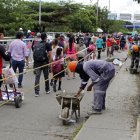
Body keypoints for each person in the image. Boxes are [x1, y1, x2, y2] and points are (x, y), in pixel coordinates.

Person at [33, 32, 52, 97]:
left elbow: (34, 53)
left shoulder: (37, 44)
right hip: (44, 62)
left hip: (37, 62)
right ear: (46, 37)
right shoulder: (47, 44)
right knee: (46, 76)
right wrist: (49, 62)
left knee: (37, 77)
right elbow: (50, 54)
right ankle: (47, 90)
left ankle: (36, 92)